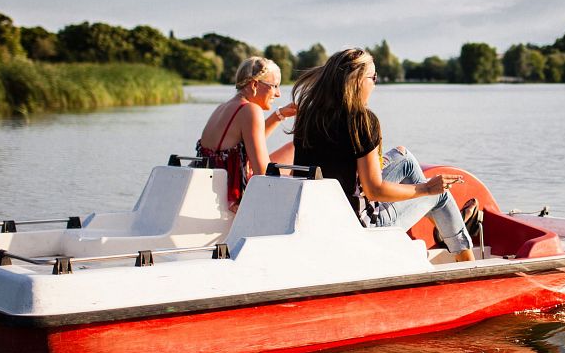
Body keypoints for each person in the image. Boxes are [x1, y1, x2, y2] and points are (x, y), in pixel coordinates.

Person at [290, 48, 476, 262]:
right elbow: (374, 190)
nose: (375, 83)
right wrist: (426, 188)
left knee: (404, 159)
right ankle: (468, 264)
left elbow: (338, 164)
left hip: (321, 217)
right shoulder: (361, 120)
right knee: (439, 194)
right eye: (373, 77)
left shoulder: (309, 115)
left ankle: (443, 226)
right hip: (360, 228)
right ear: (359, 80)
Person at [197, 56, 296, 210]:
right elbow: (262, 173)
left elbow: (246, 144)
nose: (278, 94)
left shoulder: (223, 107)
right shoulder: (250, 110)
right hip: (234, 194)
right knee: (296, 150)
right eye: (274, 86)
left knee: (293, 148)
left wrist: (279, 115)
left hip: (218, 187)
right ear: (255, 84)